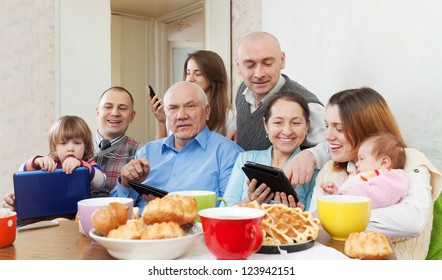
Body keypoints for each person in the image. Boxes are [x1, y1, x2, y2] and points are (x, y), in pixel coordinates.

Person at [308, 87, 442, 260]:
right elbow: (315, 223)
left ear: (366, 129)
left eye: (339, 129)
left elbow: (413, 221)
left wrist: (339, 216)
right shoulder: (330, 169)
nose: (327, 135)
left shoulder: (410, 160)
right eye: (327, 126)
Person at [110, 81, 244, 213]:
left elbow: (230, 212)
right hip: (140, 230)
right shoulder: (147, 152)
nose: (181, 116)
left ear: (207, 111)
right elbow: (115, 211)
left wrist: (172, 209)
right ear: (166, 114)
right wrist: (125, 183)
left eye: (190, 106)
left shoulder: (228, 153)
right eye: (173, 108)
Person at [234, 31, 329, 186]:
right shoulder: (242, 91)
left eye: (267, 63)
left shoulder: (307, 105)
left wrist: (312, 155)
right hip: (245, 190)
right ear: (238, 66)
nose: (259, 74)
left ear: (282, 60)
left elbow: (337, 144)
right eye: (250, 65)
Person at [223, 91, 318, 210]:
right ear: (266, 125)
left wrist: (291, 214)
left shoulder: (314, 171)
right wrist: (251, 202)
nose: (287, 131)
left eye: (295, 123)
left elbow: (314, 221)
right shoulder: (246, 159)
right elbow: (224, 210)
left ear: (307, 126)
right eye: (278, 122)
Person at [3, 115, 106, 212]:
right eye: (63, 143)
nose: (70, 148)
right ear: (55, 147)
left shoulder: (87, 163)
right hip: (49, 212)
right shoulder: (52, 163)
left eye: (77, 143)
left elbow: (101, 182)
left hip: (77, 214)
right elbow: (21, 173)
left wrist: (82, 165)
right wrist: (36, 162)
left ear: (86, 147)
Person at [150, 50, 236, 139]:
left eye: (198, 74)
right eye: (188, 73)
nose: (190, 79)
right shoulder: (177, 113)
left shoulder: (228, 116)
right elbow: (162, 149)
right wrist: (161, 122)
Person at [320, 133, 409, 209]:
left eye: (362, 159)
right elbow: (349, 191)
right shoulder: (369, 177)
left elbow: (377, 197)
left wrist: (347, 194)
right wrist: (335, 191)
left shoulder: (392, 180)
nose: (357, 164)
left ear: (384, 163)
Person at [93, 86, 142, 197]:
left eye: (123, 108)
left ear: (132, 116)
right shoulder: (74, 144)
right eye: (108, 107)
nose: (115, 113)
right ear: (98, 112)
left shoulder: (139, 153)